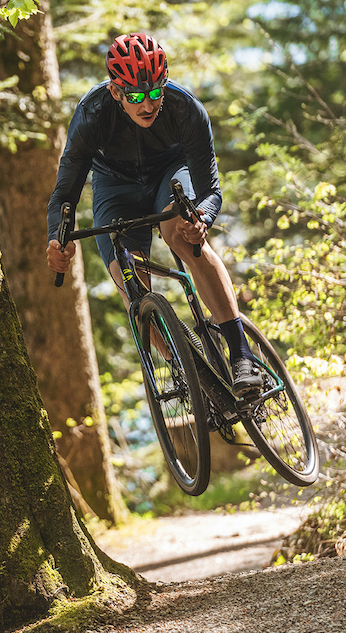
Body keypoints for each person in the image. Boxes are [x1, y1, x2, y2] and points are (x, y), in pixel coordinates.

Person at [45, 31, 260, 396]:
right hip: (115, 185)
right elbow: (64, 194)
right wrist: (56, 238)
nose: (147, 105)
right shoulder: (91, 116)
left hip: (170, 172)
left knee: (182, 234)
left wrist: (202, 219)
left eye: (155, 92)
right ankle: (186, 370)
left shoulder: (184, 108)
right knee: (126, 273)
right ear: (116, 92)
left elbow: (211, 191)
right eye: (135, 96)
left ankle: (242, 355)